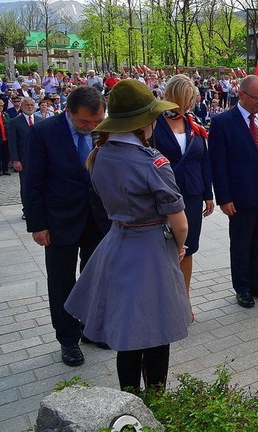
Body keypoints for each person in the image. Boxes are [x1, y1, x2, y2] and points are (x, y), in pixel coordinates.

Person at [64, 80, 190, 391]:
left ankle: (129, 399)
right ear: (143, 122)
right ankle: (156, 399)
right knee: (157, 332)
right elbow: (181, 223)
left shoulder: (100, 154)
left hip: (117, 243)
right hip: (151, 248)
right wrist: (176, 248)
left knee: (128, 335)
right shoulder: (153, 163)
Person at [23, 86, 109, 367]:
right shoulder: (43, 132)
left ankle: (90, 328)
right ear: (69, 111)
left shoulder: (102, 130)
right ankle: (68, 339)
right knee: (62, 280)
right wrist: (37, 224)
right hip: (59, 221)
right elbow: (32, 183)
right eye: (85, 122)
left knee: (94, 276)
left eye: (96, 122)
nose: (91, 127)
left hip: (97, 218)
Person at [209, 75, 258, 307]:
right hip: (240, 197)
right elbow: (218, 164)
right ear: (241, 95)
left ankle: (257, 282)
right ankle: (242, 287)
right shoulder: (223, 122)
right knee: (242, 243)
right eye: (256, 98)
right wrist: (224, 198)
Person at [153, 75, 214, 318]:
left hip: (191, 195)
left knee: (187, 249)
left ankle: (184, 301)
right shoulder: (154, 123)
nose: (188, 105)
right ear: (170, 96)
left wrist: (208, 194)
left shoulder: (194, 122)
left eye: (190, 99)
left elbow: (203, 159)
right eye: (184, 99)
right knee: (163, 250)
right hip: (163, 196)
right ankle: (162, 302)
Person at [8, 97, 38, 218]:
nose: (30, 107)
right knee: (26, 185)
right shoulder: (15, 122)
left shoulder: (41, 120)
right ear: (21, 106)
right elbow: (12, 142)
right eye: (27, 105)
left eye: (32, 105)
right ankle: (27, 210)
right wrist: (15, 160)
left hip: (40, 159)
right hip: (24, 160)